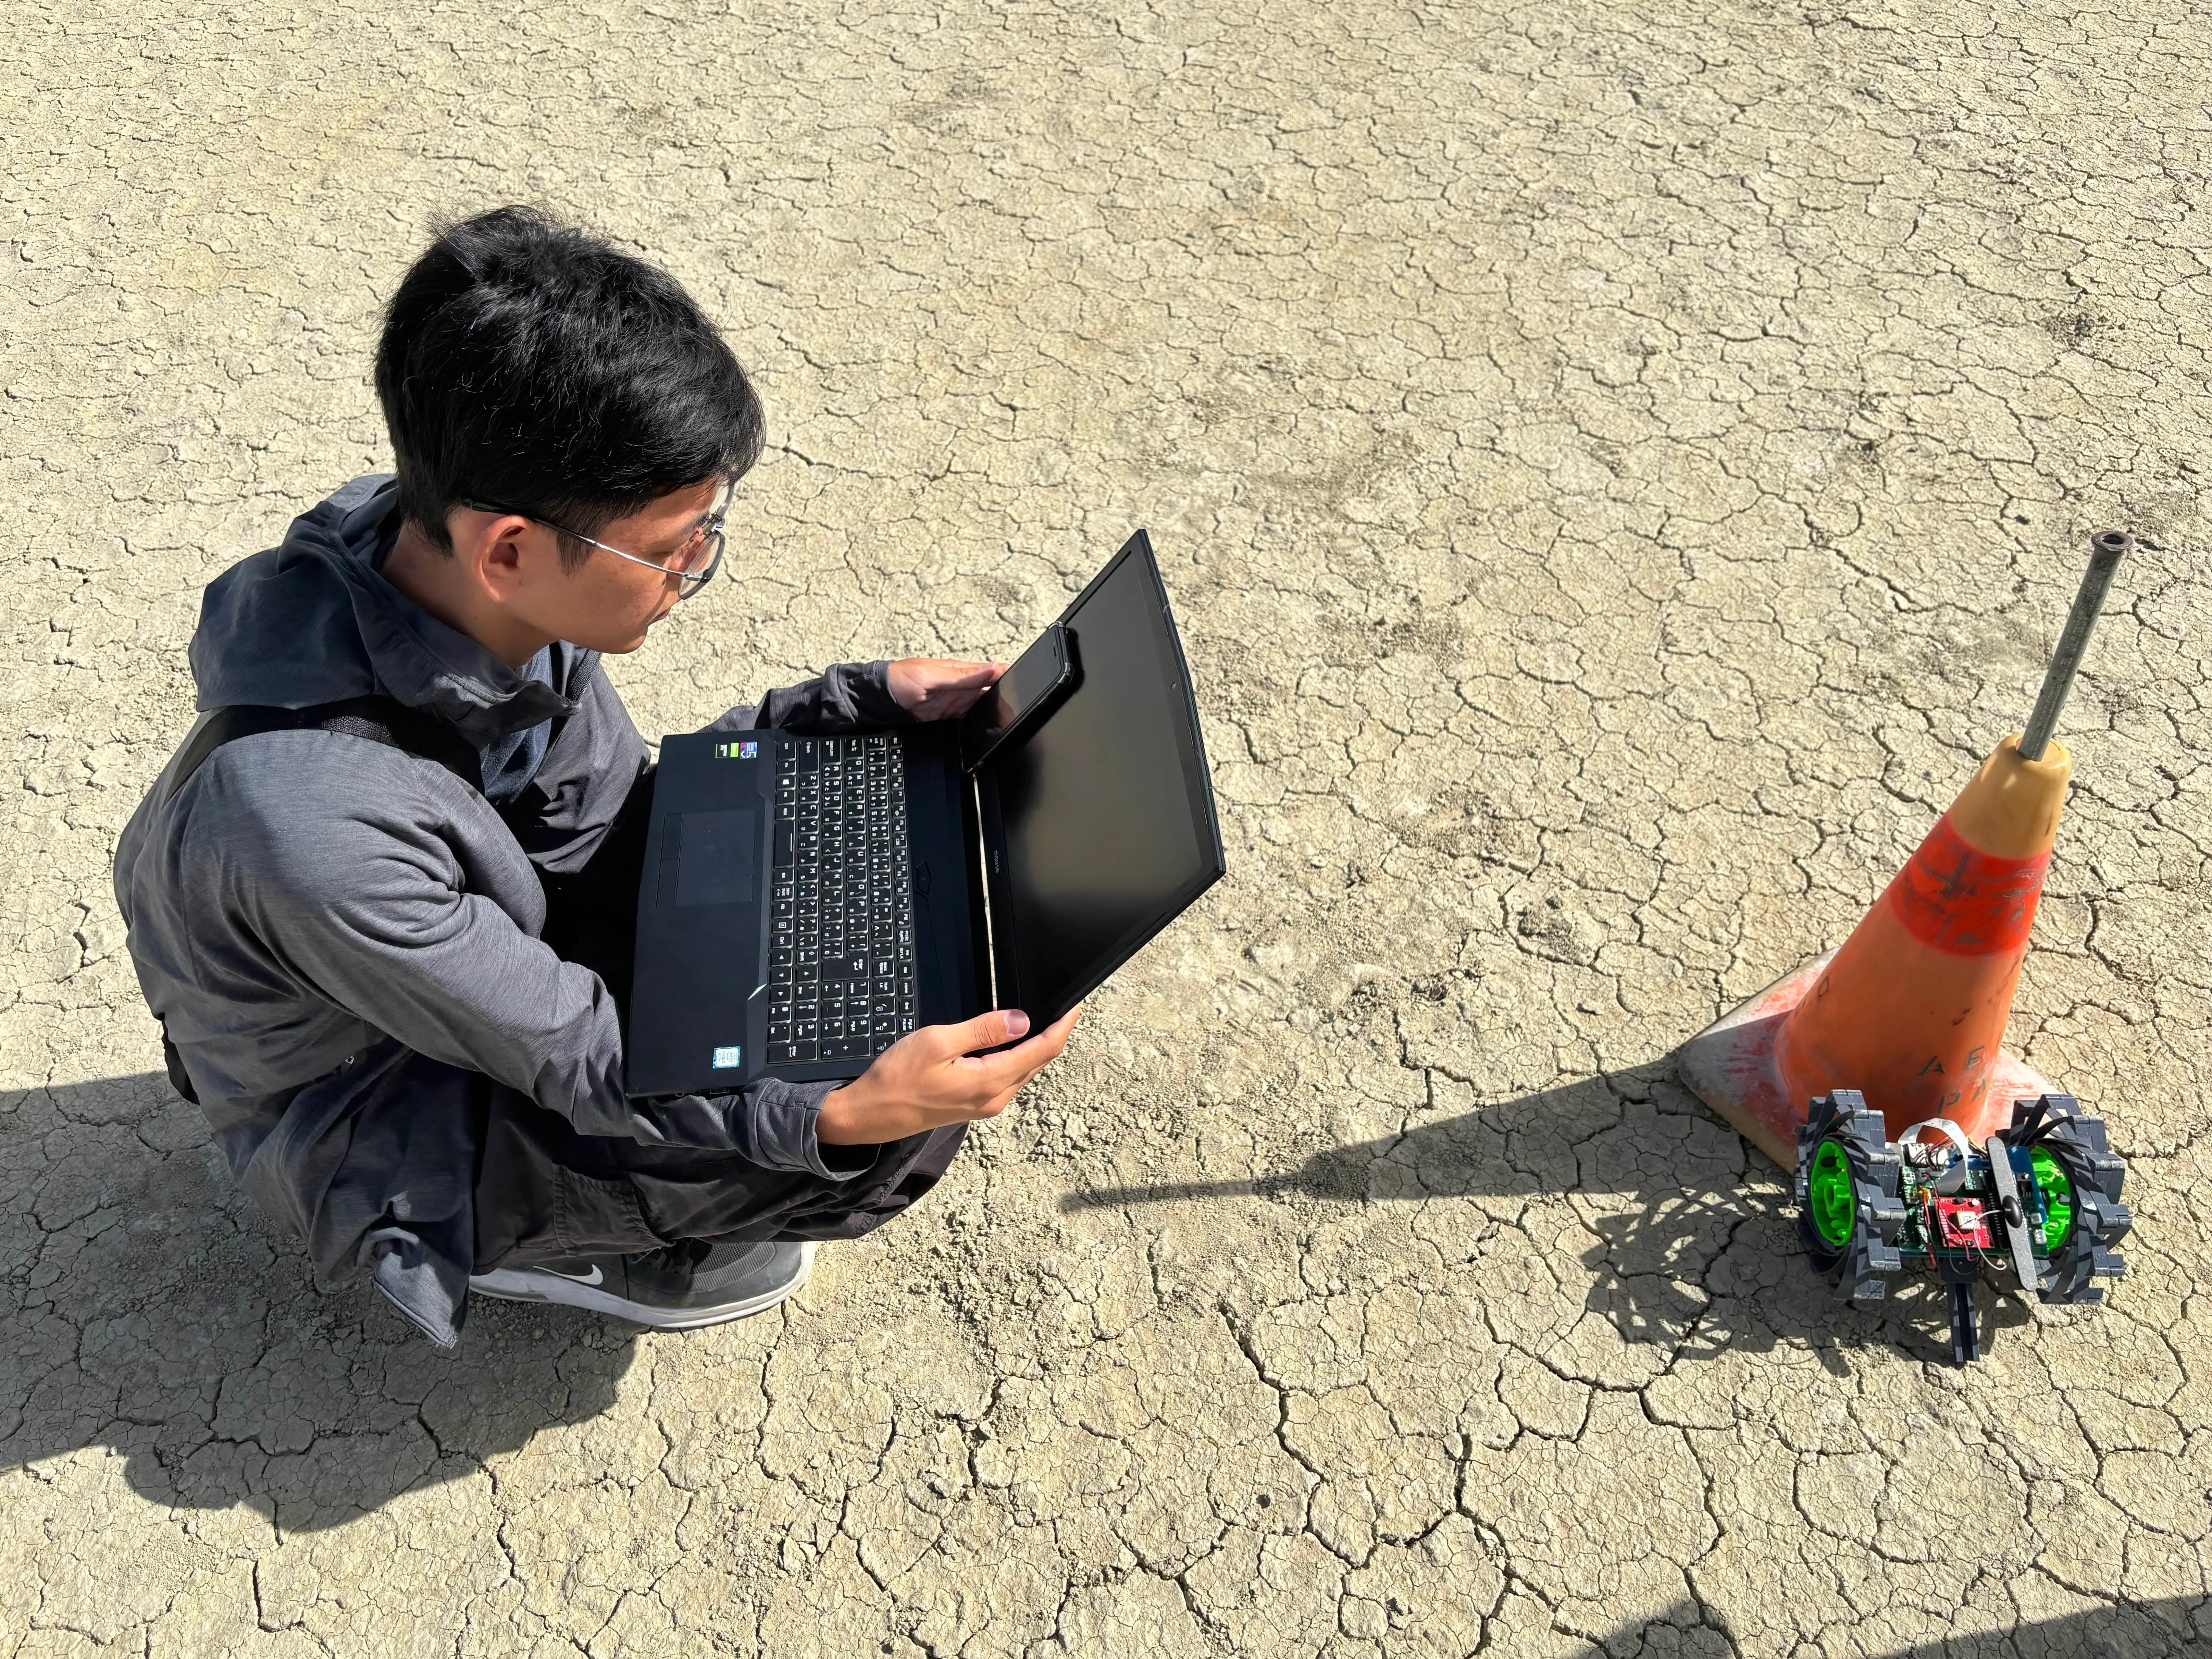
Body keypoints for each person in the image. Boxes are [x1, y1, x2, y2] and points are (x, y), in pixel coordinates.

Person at [113, 206, 1079, 1346]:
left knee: (837, 924)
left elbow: (619, 829)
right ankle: (559, 1249)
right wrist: (829, 1114)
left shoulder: (440, 569)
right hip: (389, 1111)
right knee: (887, 1129)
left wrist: (847, 715)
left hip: (446, 959)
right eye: (674, 548)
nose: (692, 569)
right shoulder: (315, 826)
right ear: (511, 550)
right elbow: (586, 1054)